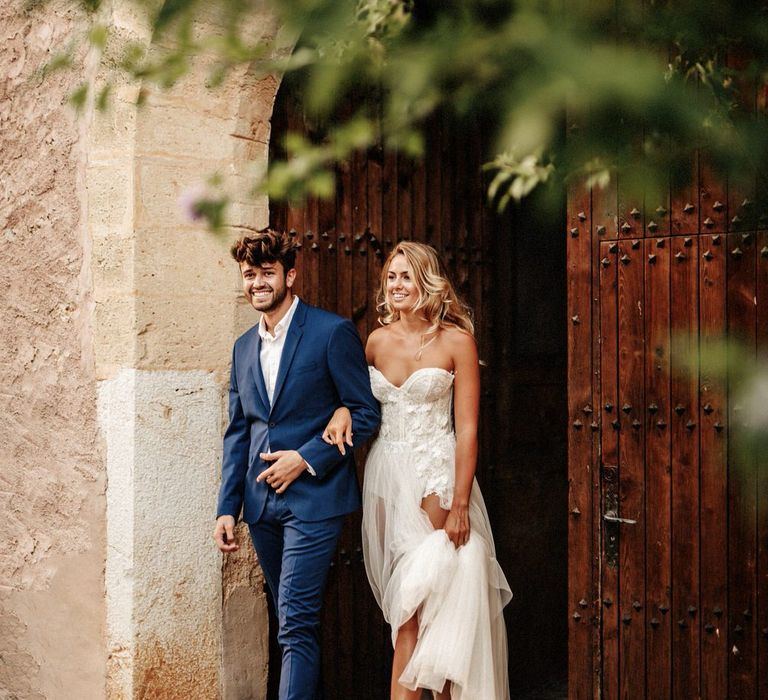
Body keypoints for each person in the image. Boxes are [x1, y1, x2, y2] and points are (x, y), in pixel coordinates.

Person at [323, 241, 511, 699]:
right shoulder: (376, 341)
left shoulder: (456, 341)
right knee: (412, 614)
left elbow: (466, 431)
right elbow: (355, 401)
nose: (397, 285)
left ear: (426, 281)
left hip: (436, 475)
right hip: (387, 478)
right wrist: (341, 412)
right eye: (391, 277)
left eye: (406, 276)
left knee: (425, 608)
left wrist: (461, 503)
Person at [213, 229, 380, 700]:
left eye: (267, 273)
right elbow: (238, 432)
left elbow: (364, 412)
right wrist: (228, 507)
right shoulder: (243, 347)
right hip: (261, 507)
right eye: (250, 275)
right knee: (291, 621)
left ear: (290, 274)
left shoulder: (330, 332)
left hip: (316, 501)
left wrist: (305, 459)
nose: (258, 283)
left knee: (295, 620)